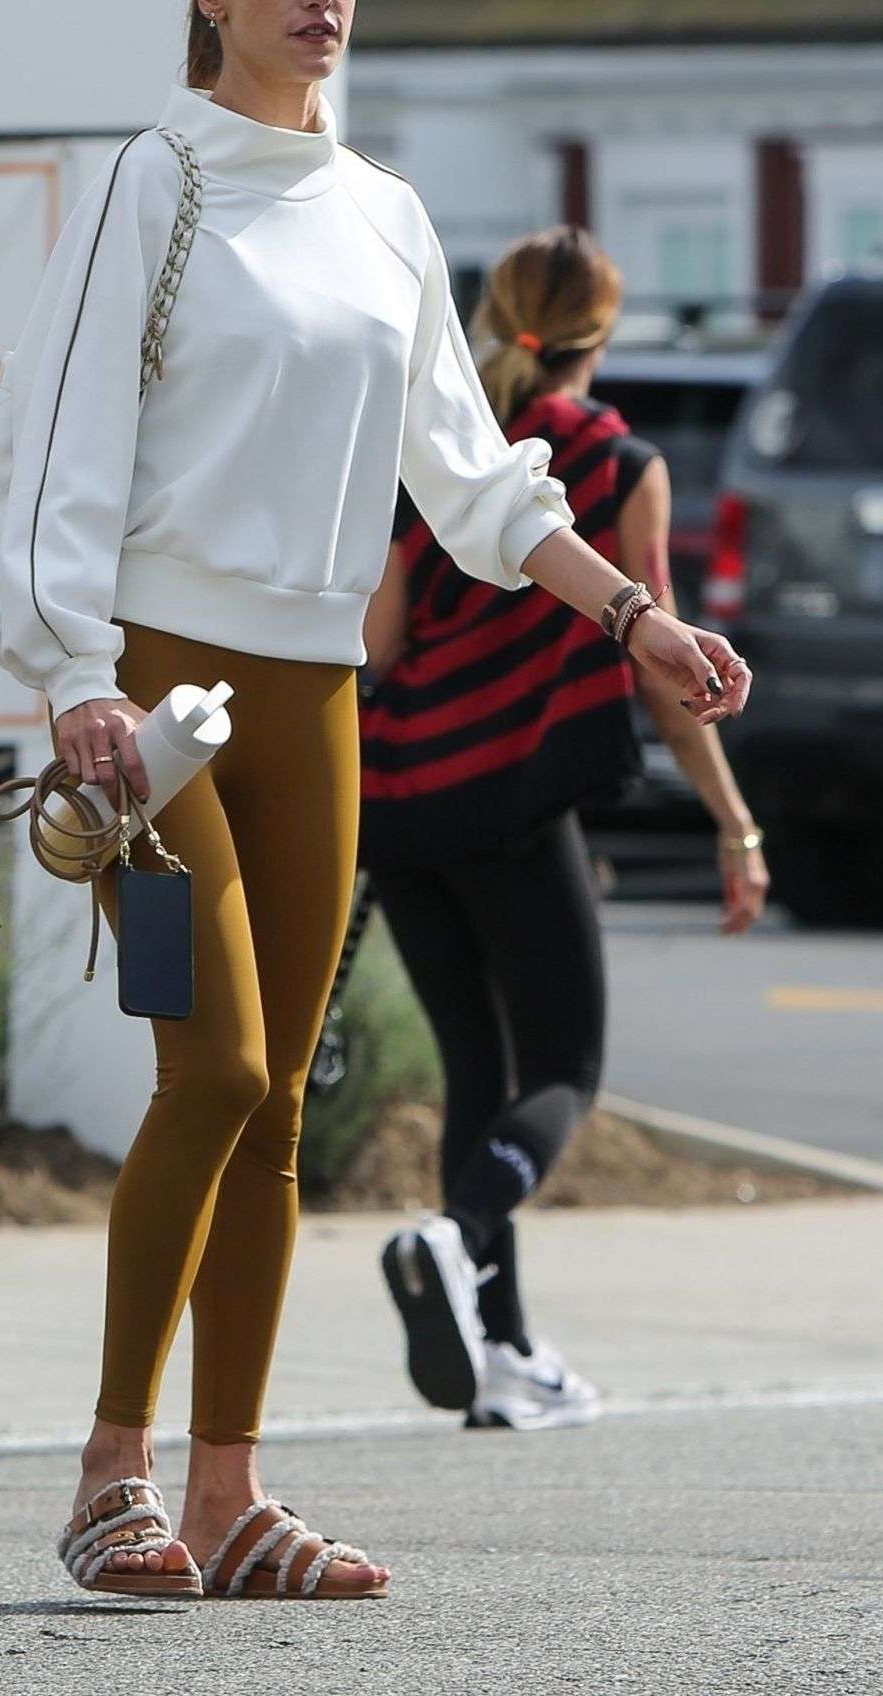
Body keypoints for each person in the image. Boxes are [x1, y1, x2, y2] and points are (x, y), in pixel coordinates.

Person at [6, 0, 749, 1602]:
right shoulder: (153, 186)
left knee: (280, 1104)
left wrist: (636, 615)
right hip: (162, 700)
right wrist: (75, 677)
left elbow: (478, 486)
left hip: (316, 697)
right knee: (215, 1064)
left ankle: (228, 1498)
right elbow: (65, 448)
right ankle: (109, 1474)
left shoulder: (386, 215)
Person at [361, 226, 769, 1432]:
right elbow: (665, 674)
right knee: (562, 1069)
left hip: (399, 796)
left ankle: (500, 1352)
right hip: (515, 790)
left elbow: (377, 644)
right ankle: (454, 1234)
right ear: (604, 329)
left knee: (473, 1071)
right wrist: (733, 826)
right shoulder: (616, 461)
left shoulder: (439, 446)